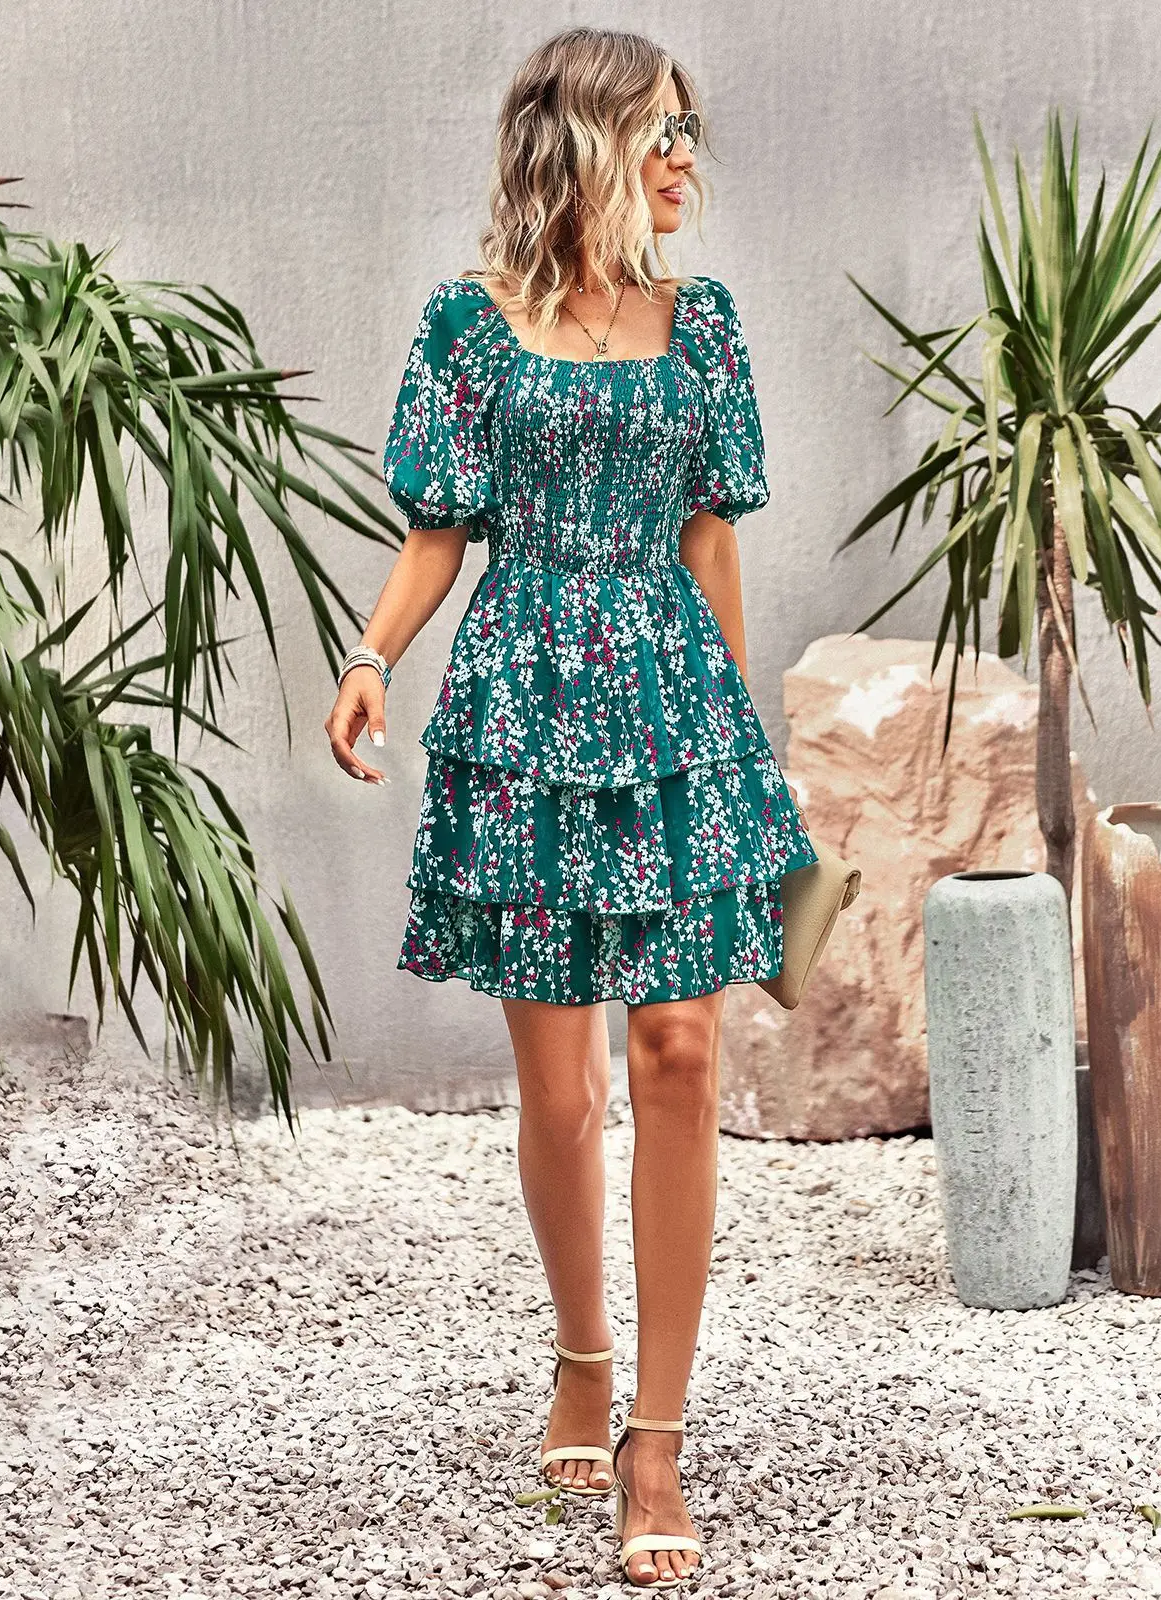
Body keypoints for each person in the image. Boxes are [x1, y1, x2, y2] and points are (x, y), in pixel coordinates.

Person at [324, 25, 816, 1591]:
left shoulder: (704, 325)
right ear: (582, 144)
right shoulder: (469, 327)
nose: (682, 160)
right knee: (560, 1099)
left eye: (688, 134)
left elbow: (713, 542)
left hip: (674, 714)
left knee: (678, 1056)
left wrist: (740, 748)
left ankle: (654, 1439)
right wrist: (370, 658)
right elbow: (440, 531)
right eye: (656, 132)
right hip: (525, 716)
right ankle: (583, 1355)